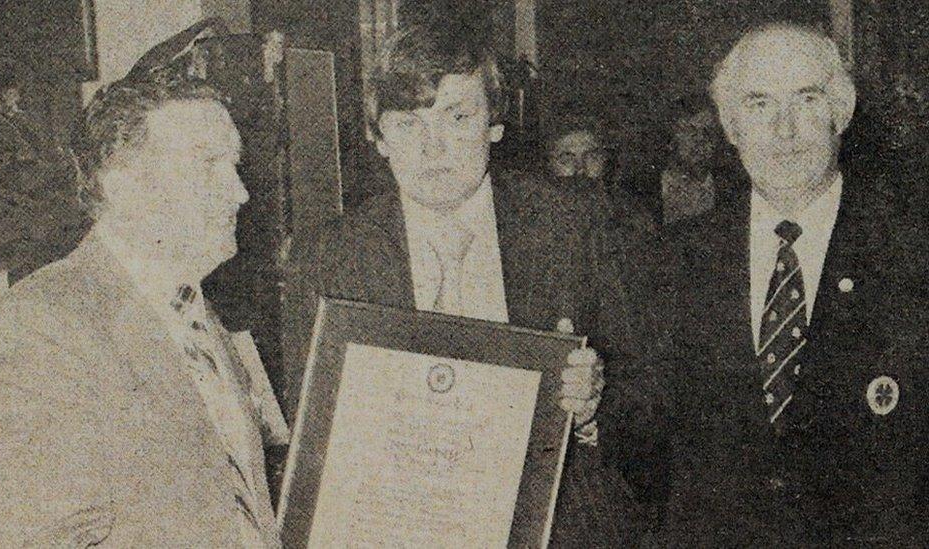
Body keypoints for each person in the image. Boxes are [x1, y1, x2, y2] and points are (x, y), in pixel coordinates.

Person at [278, 23, 645, 545]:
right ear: (377, 139)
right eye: (407, 123)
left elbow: (648, 391)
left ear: (494, 125)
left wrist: (593, 407)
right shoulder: (327, 256)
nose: (434, 147)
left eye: (457, 117)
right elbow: (313, 432)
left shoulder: (573, 222)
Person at [617, 23, 929, 545]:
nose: (786, 131)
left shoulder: (912, 254)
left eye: (806, 99)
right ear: (730, 126)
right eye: (760, 105)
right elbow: (644, 447)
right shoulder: (670, 261)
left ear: (841, 113)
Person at [0, 75, 286, 545]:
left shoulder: (194, 312)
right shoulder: (38, 329)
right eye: (208, 165)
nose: (239, 193)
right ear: (124, 187)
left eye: (234, 165)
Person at [542, 112, 657, 253]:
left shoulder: (632, 217)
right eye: (567, 158)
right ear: (549, 164)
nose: (580, 169)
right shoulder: (538, 221)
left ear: (604, 160)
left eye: (591, 156)